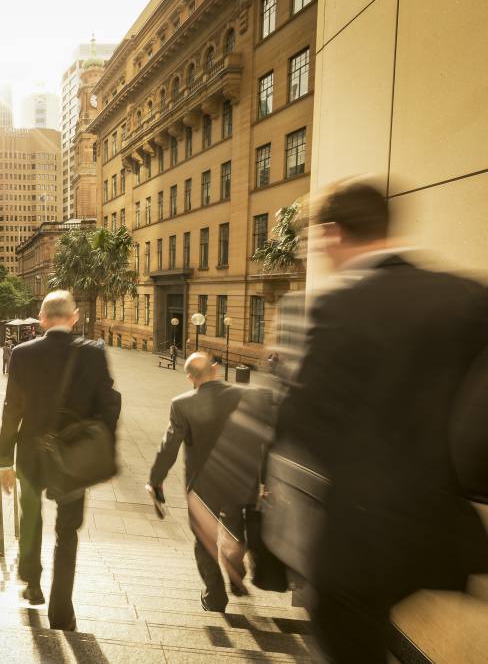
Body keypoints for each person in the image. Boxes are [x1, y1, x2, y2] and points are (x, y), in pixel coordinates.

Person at [274, 181, 488, 661]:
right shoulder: (469, 295)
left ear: (333, 233)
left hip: (361, 535)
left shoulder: (341, 306)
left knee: (345, 634)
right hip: (441, 530)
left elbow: (302, 419)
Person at [0, 290, 120, 631]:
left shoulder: (22, 353)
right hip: (74, 457)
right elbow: (108, 405)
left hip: (31, 455)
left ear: (41, 318)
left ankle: (33, 583)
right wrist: (104, 453)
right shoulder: (94, 354)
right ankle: (61, 611)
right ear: (74, 317)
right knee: (67, 533)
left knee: (32, 515)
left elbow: (12, 411)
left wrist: (4, 462)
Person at [146, 352, 244, 612]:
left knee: (204, 539)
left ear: (189, 377)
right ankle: (236, 571)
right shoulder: (240, 395)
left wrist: (156, 480)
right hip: (237, 479)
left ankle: (215, 596)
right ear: (215, 369)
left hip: (202, 484)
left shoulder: (182, 404)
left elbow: (169, 446)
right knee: (234, 527)